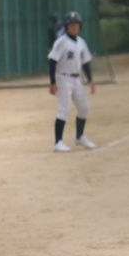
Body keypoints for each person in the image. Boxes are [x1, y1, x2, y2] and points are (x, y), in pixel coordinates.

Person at [48, 11, 96, 153]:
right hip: (63, 78)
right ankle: (58, 142)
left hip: (76, 79)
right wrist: (52, 82)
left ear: (80, 26)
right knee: (64, 109)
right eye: (71, 24)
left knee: (84, 108)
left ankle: (79, 137)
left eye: (76, 23)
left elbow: (85, 62)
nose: (74, 26)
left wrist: (90, 80)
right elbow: (52, 61)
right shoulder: (62, 41)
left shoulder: (81, 42)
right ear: (66, 26)